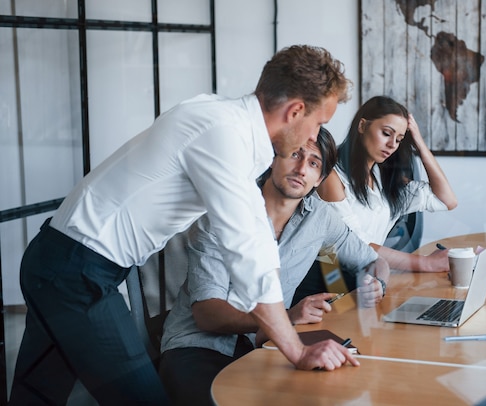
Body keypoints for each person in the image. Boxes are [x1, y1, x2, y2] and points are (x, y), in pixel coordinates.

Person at [9, 45, 355, 405]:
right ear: (295, 111)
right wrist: (297, 351)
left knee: (35, 395)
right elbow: (249, 252)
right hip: (76, 272)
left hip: (64, 262)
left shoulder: (225, 123)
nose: (314, 135)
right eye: (318, 123)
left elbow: (254, 229)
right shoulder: (223, 136)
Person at [158, 127, 389, 405]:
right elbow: (207, 315)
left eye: (314, 163)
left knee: (339, 389)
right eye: (294, 155)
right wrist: (284, 318)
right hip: (198, 346)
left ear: (320, 179)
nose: (302, 169)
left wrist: (377, 283)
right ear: (272, 158)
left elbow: (373, 261)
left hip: (268, 345)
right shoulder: (226, 215)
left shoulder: (321, 218)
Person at [293, 96, 457, 302]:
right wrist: (426, 263)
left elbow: (446, 200)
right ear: (362, 125)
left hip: (364, 278)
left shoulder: (383, 179)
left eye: (399, 139)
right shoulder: (332, 177)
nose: (392, 144)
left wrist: (419, 143)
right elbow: (355, 246)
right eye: (386, 133)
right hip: (328, 281)